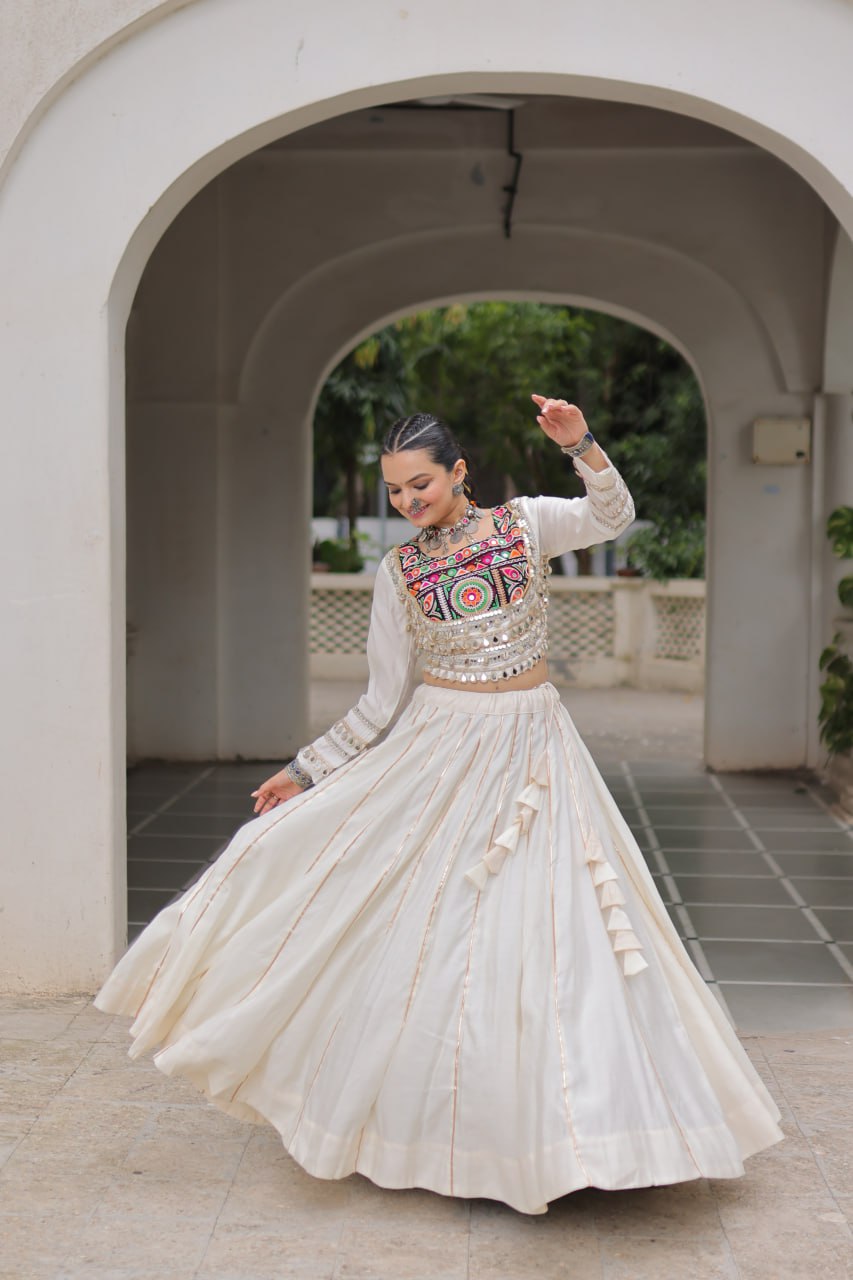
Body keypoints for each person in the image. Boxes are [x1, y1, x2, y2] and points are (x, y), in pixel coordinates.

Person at [95, 396, 783, 1216]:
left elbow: (612, 517)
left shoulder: (525, 525)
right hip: (440, 747)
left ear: (458, 472)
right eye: (393, 491)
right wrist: (305, 772)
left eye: (418, 483)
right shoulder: (399, 573)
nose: (407, 501)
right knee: (434, 926)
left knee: (554, 922)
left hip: (532, 747)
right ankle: (446, 1130)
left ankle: (576, 1133)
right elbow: (380, 699)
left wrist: (583, 447)